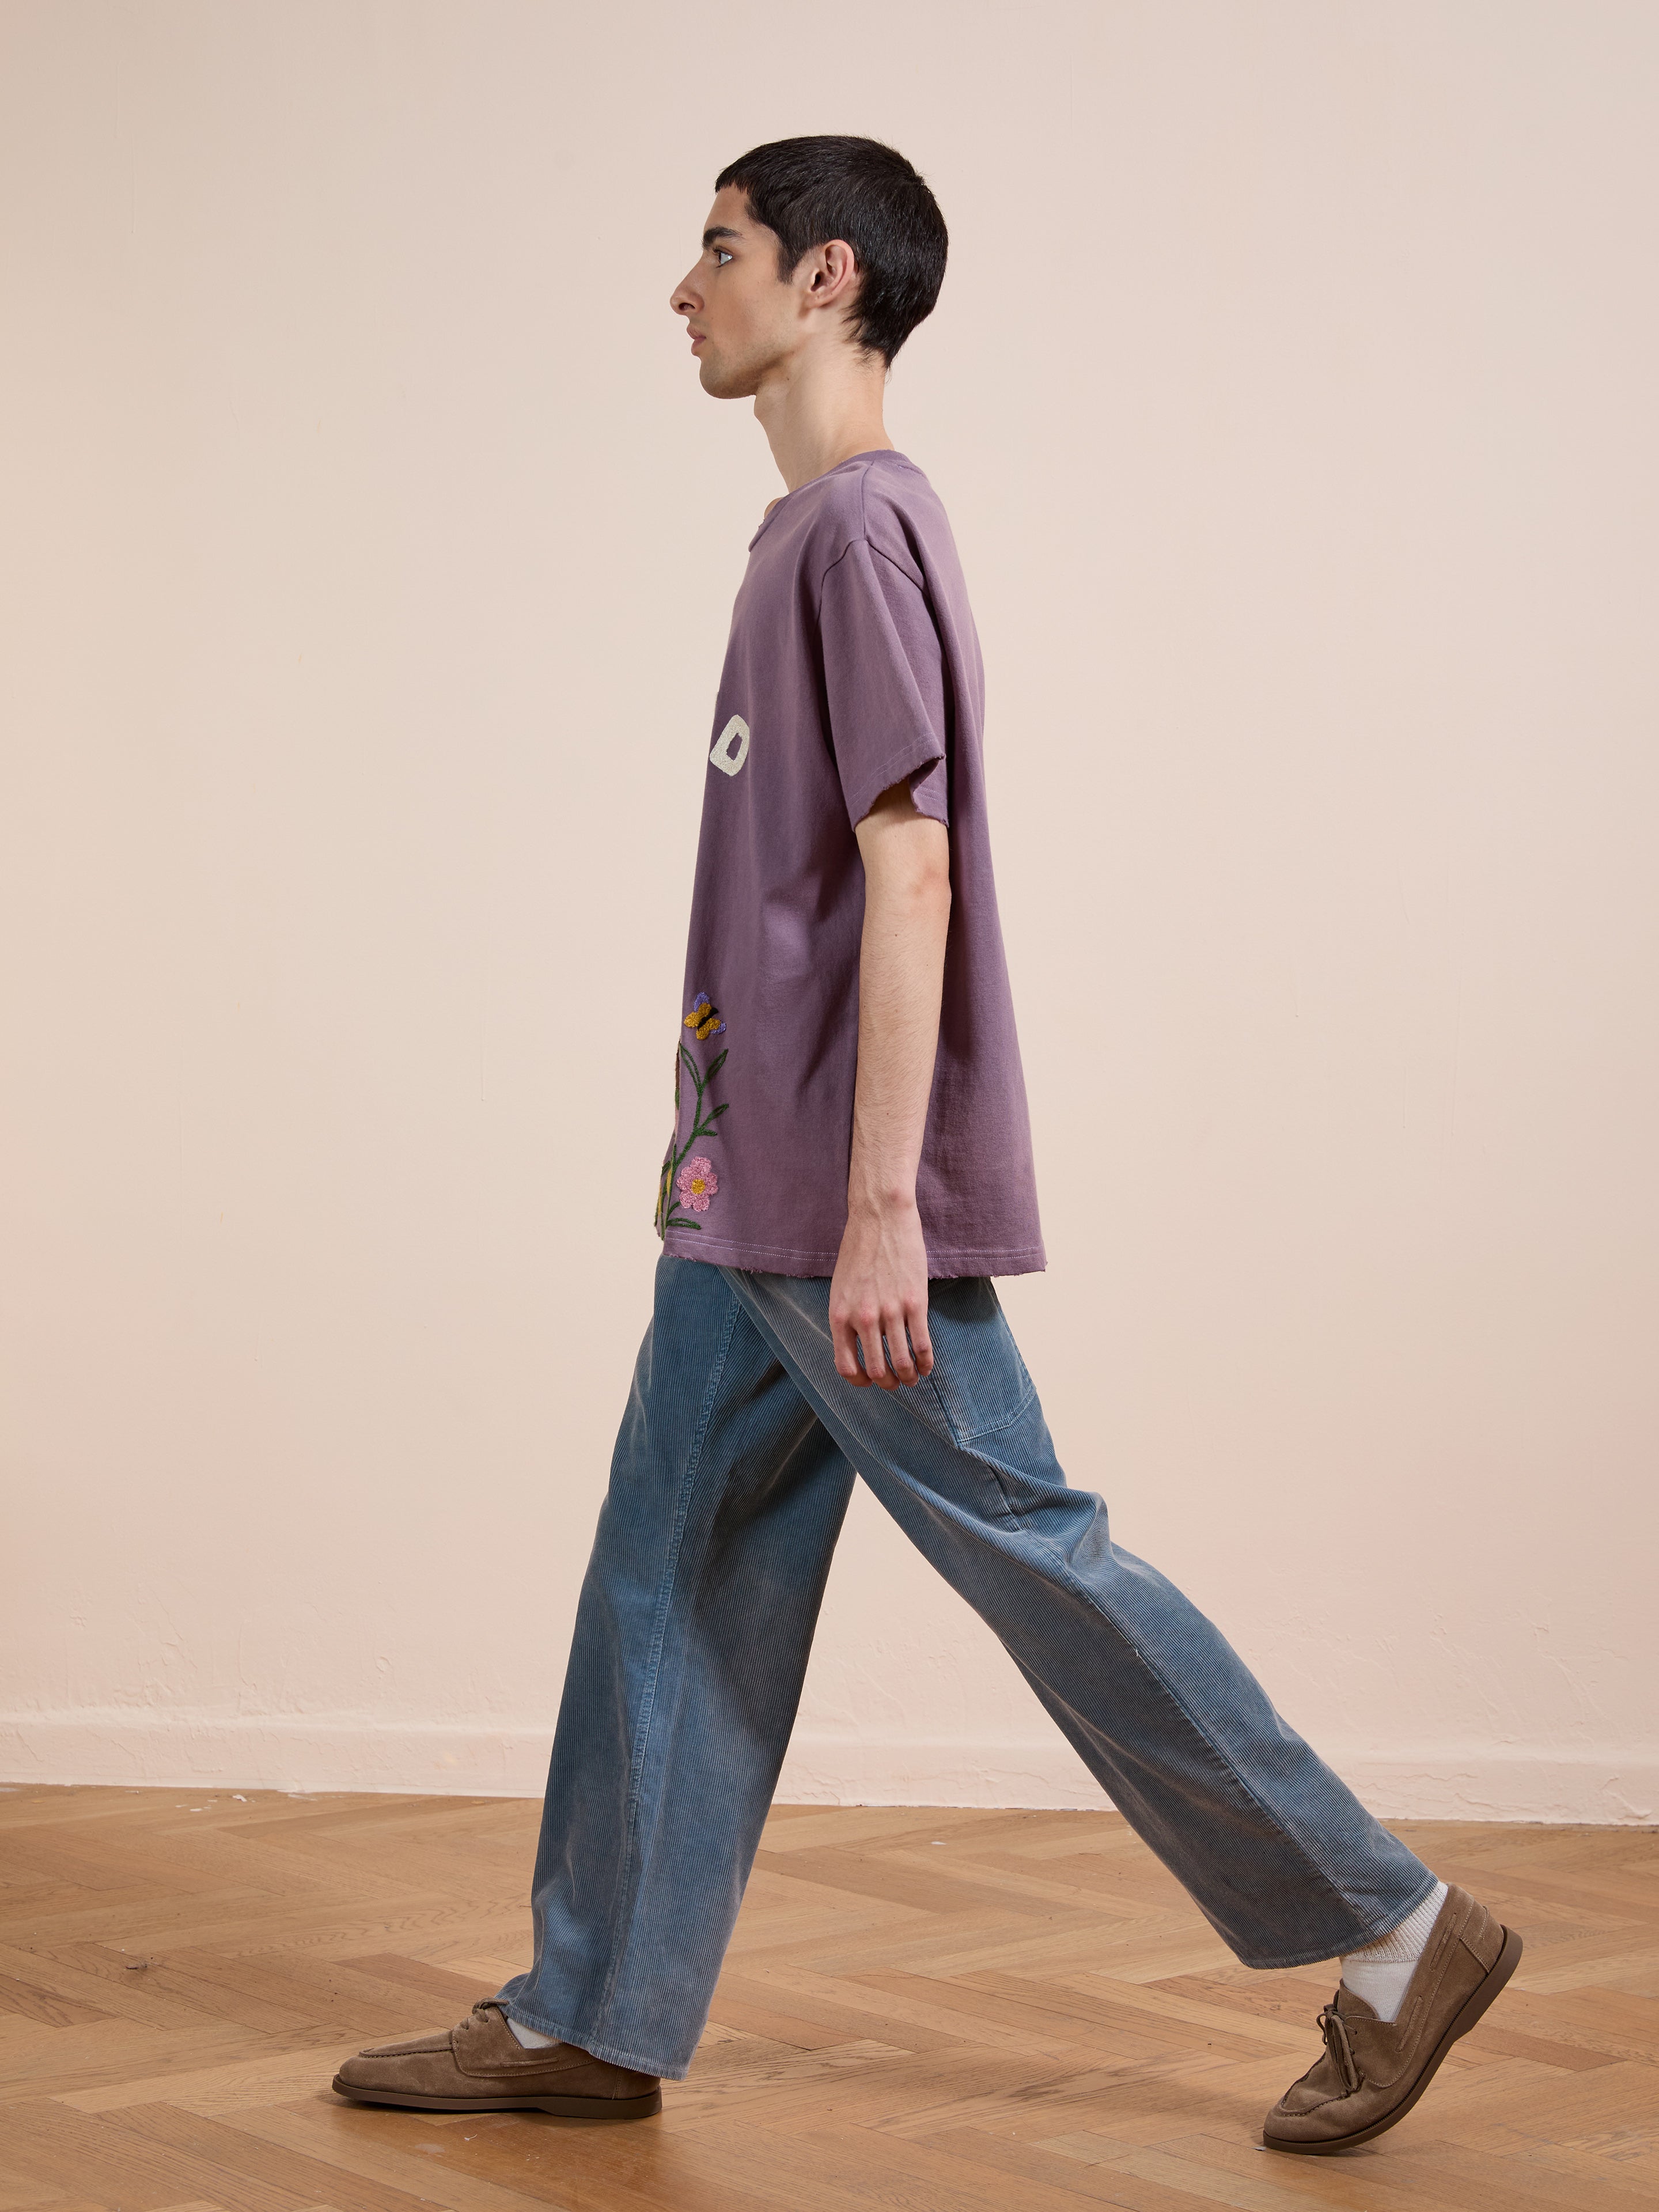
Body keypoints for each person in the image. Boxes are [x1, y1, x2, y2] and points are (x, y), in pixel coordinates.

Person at [332, 134, 1519, 2156]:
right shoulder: (804, 541)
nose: (680, 288)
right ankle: (597, 2007)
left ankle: (1396, 1929)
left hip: (822, 1203)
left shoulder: (858, 534)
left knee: (1031, 1550)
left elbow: (913, 868)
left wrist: (885, 1207)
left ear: (823, 278)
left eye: (712, 250)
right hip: (745, 1199)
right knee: (671, 1571)